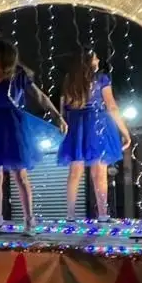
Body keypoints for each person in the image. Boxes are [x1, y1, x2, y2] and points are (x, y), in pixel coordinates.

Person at [0, 35, 67, 230]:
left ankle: (29, 220)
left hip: (12, 125)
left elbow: (39, 96)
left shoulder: (17, 75)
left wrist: (57, 115)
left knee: (20, 173)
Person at [57, 49, 132, 220]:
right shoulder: (101, 78)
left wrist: (65, 125)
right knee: (99, 173)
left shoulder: (69, 79)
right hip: (97, 122)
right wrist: (125, 131)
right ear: (89, 61)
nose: (98, 59)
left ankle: (70, 214)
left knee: (75, 171)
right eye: (95, 57)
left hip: (76, 124)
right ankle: (103, 214)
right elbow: (112, 106)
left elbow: (64, 107)